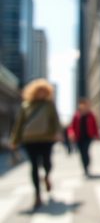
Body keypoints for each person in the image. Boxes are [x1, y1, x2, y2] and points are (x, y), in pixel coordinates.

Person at [10, 79, 62, 209]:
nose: (42, 93)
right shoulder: (26, 105)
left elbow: (55, 120)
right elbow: (19, 124)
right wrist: (14, 140)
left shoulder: (49, 105)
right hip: (30, 140)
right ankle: (37, 195)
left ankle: (46, 176)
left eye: (44, 91)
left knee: (47, 162)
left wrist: (58, 132)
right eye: (39, 91)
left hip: (46, 139)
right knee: (33, 166)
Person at [68, 98, 99, 177]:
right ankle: (85, 168)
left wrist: (97, 135)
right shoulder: (76, 115)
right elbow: (71, 126)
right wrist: (71, 134)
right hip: (79, 137)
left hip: (88, 136)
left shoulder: (90, 115)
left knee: (85, 151)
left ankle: (87, 164)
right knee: (81, 153)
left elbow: (95, 126)